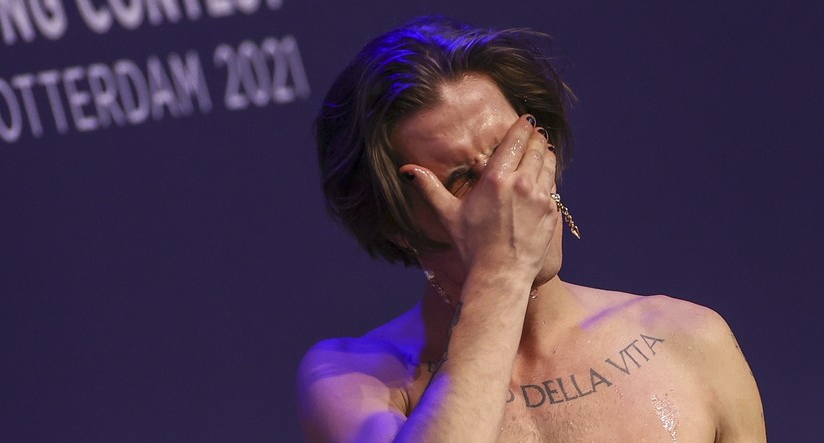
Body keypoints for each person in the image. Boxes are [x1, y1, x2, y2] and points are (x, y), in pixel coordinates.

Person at [297, 16, 765, 442]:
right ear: (395, 223)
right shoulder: (353, 379)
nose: (509, 187)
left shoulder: (688, 338)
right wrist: (501, 272)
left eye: (513, 149)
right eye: (462, 179)